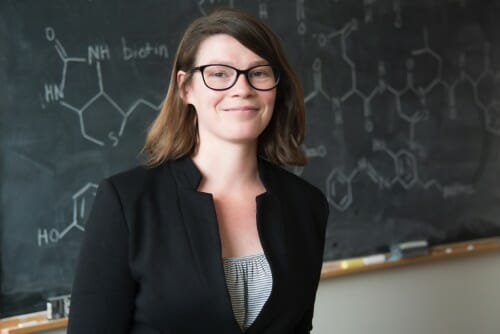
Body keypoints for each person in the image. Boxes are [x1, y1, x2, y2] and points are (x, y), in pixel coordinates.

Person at [68, 7, 329, 334]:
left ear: (276, 86)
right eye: (219, 73)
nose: (242, 88)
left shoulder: (307, 205)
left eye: (259, 73)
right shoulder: (127, 202)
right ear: (185, 88)